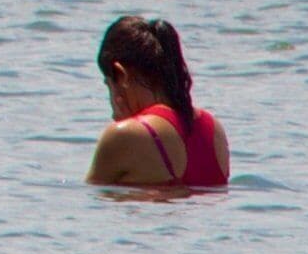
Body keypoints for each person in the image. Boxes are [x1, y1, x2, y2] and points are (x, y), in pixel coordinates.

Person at [86, 15, 229, 189]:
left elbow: (91, 207)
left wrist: (125, 125)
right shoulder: (215, 130)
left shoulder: (123, 136)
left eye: (108, 85)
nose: (112, 111)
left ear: (121, 75)